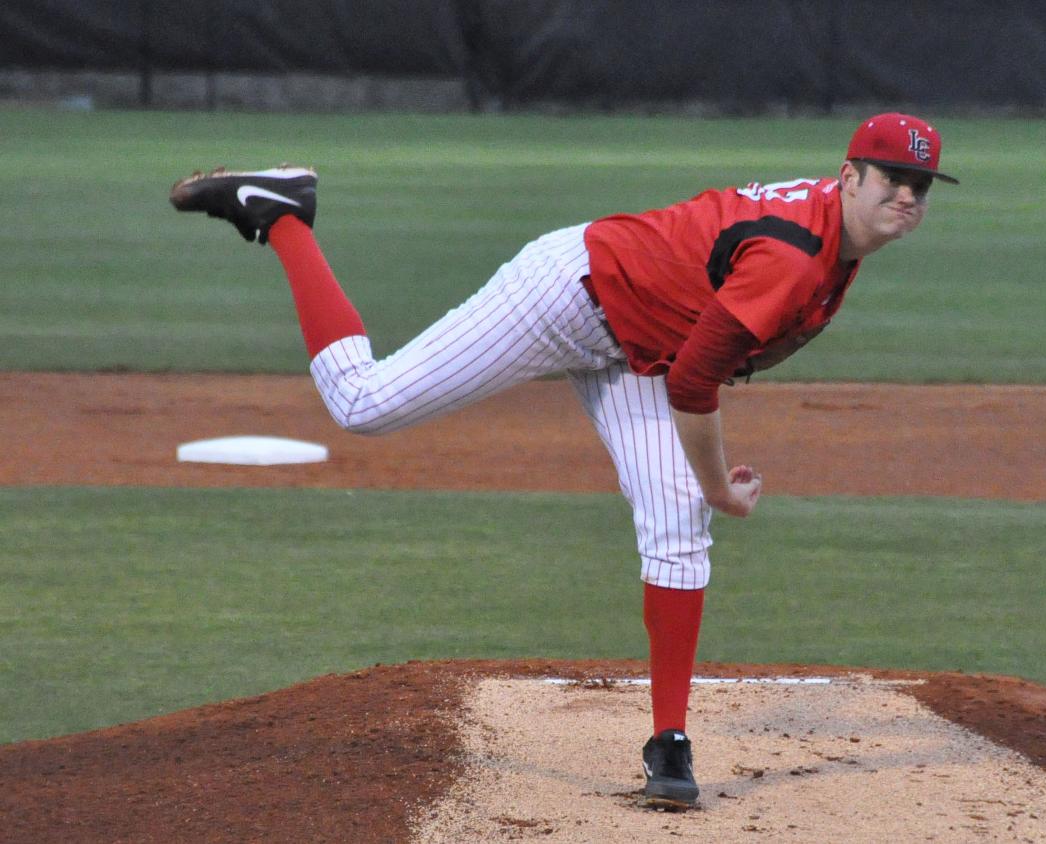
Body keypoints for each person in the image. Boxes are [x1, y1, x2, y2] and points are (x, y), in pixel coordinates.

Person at [169, 112, 957, 810]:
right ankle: (283, 214)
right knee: (363, 404)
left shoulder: (835, 229)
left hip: (639, 342)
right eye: (894, 180)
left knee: (675, 522)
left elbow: (692, 353)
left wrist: (698, 489)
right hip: (568, 292)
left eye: (921, 186)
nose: (909, 198)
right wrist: (719, 484)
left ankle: (669, 743)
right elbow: (694, 380)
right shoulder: (794, 258)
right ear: (849, 176)